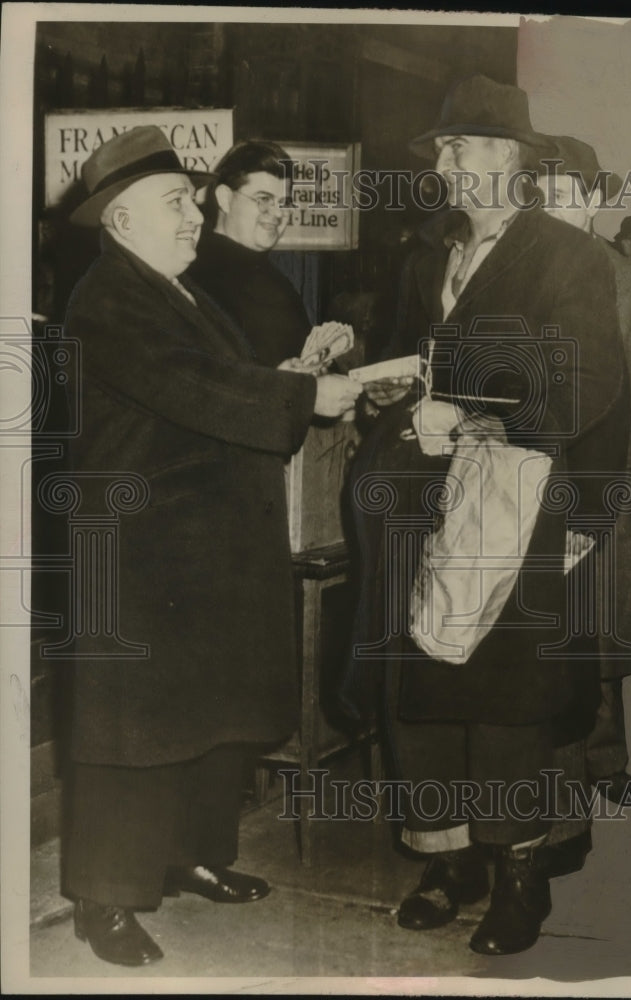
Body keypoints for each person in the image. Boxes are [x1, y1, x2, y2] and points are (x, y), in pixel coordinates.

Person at [61, 126, 361, 967]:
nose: (194, 218)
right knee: (132, 735)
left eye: (193, 202)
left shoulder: (173, 289)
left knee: (202, 720)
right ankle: (105, 902)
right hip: (136, 556)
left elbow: (221, 381)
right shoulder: (109, 299)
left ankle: (188, 856)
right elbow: (200, 387)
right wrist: (308, 394)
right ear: (119, 222)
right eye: (174, 205)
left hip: (194, 552)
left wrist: (297, 380)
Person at [345, 76, 629, 956]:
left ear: (512, 158)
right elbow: (414, 365)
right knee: (419, 693)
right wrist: (381, 387)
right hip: (417, 504)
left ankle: (518, 875)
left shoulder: (567, 257)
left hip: (519, 503)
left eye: (464, 144)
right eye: (443, 147)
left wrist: (466, 410)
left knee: (506, 704)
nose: (446, 160)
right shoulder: (424, 256)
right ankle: (448, 860)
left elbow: (586, 386)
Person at [537, 137, 631, 812]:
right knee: (539, 628)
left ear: (595, 201)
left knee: (601, 632)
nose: (556, 206)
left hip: (609, 489)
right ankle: (545, 768)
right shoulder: (512, 271)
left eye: (571, 193)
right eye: (544, 192)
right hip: (525, 483)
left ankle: (604, 759)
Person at [187, 139, 347, 368]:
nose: (277, 213)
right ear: (225, 198)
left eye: (284, 203)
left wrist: (363, 391)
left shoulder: (274, 278)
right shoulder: (194, 275)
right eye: (263, 200)